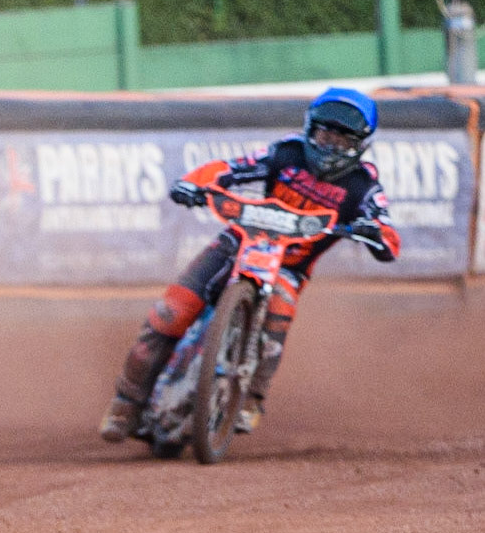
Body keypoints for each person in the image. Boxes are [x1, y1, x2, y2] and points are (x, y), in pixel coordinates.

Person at [99, 88, 399, 441]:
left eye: (342, 140)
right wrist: (193, 183)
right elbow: (232, 168)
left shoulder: (364, 186)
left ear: (360, 145)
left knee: (279, 309)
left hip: (288, 266)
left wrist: (373, 232)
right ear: (309, 129)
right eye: (324, 134)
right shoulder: (286, 152)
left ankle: (251, 399)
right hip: (238, 242)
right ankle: (126, 403)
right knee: (170, 312)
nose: (329, 146)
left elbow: (388, 234)